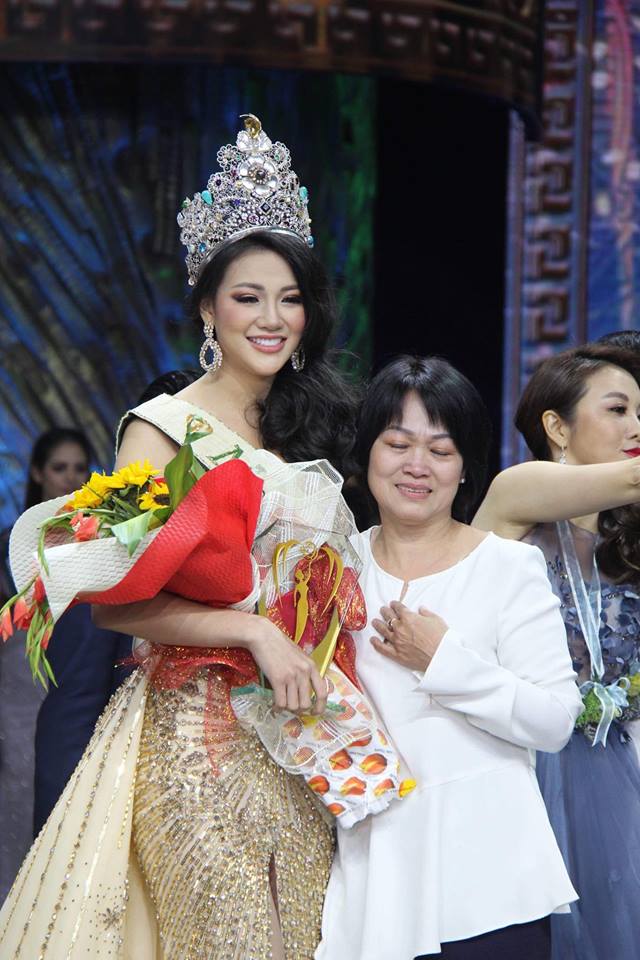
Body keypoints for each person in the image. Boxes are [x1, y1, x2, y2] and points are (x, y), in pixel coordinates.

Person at [0, 115, 360, 960]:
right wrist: (254, 631)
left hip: (311, 743)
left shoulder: (312, 425)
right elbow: (119, 605)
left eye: (290, 298)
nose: (272, 318)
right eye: (247, 297)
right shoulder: (162, 428)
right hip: (202, 740)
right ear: (207, 306)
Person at [317, 356, 582, 960]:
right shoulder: (331, 568)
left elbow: (554, 720)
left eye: (440, 450)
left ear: (465, 469)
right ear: (367, 454)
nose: (417, 466)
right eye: (397, 444)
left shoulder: (507, 566)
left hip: (488, 884)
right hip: (371, 883)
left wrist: (442, 660)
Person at [474, 343, 640, 960]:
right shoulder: (516, 493)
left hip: (612, 770)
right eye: (618, 410)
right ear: (557, 427)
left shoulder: (625, 543)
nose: (635, 427)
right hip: (523, 761)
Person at [0, 428, 130, 902]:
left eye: (80, 468)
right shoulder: (10, 545)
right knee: (21, 797)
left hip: (78, 695)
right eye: (59, 468)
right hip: (21, 692)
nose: (70, 477)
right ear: (37, 473)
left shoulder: (103, 540)